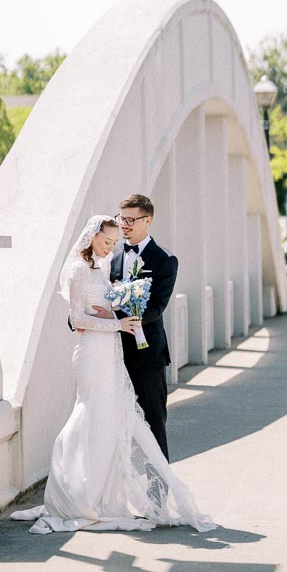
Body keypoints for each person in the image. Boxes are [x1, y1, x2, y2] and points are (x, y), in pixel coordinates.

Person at [11, 215, 214, 534]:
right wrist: (118, 324)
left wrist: (123, 312)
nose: (110, 248)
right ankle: (75, 494)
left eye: (113, 243)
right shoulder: (79, 269)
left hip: (114, 353)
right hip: (92, 351)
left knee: (110, 421)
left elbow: (124, 304)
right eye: (106, 242)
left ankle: (104, 496)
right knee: (89, 414)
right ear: (91, 237)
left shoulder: (107, 266)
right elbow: (76, 318)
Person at [109, 193, 177, 459]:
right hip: (112, 353)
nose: (123, 225)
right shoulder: (111, 255)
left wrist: (127, 317)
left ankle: (157, 491)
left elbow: (157, 306)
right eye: (121, 218)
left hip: (147, 356)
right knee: (116, 424)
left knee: (152, 424)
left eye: (130, 220)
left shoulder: (164, 260)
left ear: (147, 220)